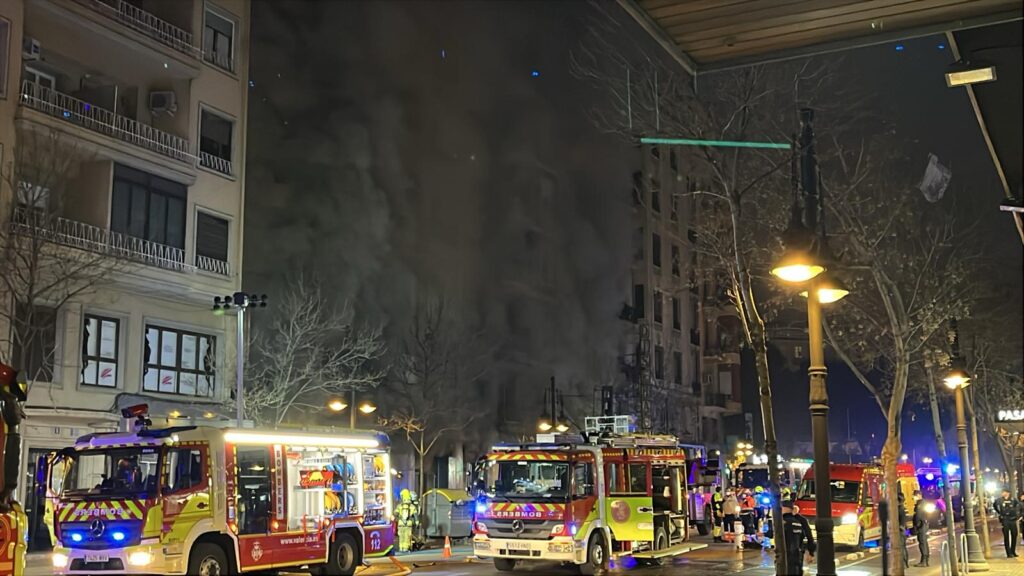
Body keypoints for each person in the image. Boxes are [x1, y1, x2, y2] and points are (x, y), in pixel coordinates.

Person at [781, 499, 815, 575]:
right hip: (797, 552)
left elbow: (809, 535)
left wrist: (811, 552)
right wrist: (811, 552)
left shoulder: (785, 520)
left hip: (788, 552)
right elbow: (809, 536)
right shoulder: (799, 520)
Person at [994, 489, 1020, 558]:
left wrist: (1017, 515)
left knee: (1014, 534)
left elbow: (1018, 506)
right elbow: (995, 506)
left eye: (1004, 492)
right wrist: (1000, 513)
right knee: (1006, 536)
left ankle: (1013, 551)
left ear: (1008, 493)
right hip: (1005, 519)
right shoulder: (999, 500)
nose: (1002, 493)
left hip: (1012, 519)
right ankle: (1008, 553)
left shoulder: (1013, 500)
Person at [397, 489, 418, 553]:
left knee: (401, 536)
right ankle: (407, 548)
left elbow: (396, 513)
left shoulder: (400, 506)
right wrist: (417, 522)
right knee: (407, 536)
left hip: (401, 524)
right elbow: (415, 515)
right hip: (408, 524)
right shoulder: (412, 506)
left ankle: (401, 548)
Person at [912, 490, 930, 566]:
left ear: (919, 495)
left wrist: (916, 525)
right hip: (924, 524)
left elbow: (918, 516)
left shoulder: (920, 504)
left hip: (921, 525)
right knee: (924, 542)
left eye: (914, 496)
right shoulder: (924, 503)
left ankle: (924, 561)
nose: (914, 497)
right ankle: (926, 560)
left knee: (922, 543)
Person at [897, 492, 910, 569]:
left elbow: (902, 521)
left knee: (901, 547)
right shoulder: (902, 508)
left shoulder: (900, 509)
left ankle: (904, 563)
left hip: (900, 530)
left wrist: (900, 527)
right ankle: (904, 563)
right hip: (902, 530)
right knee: (903, 547)